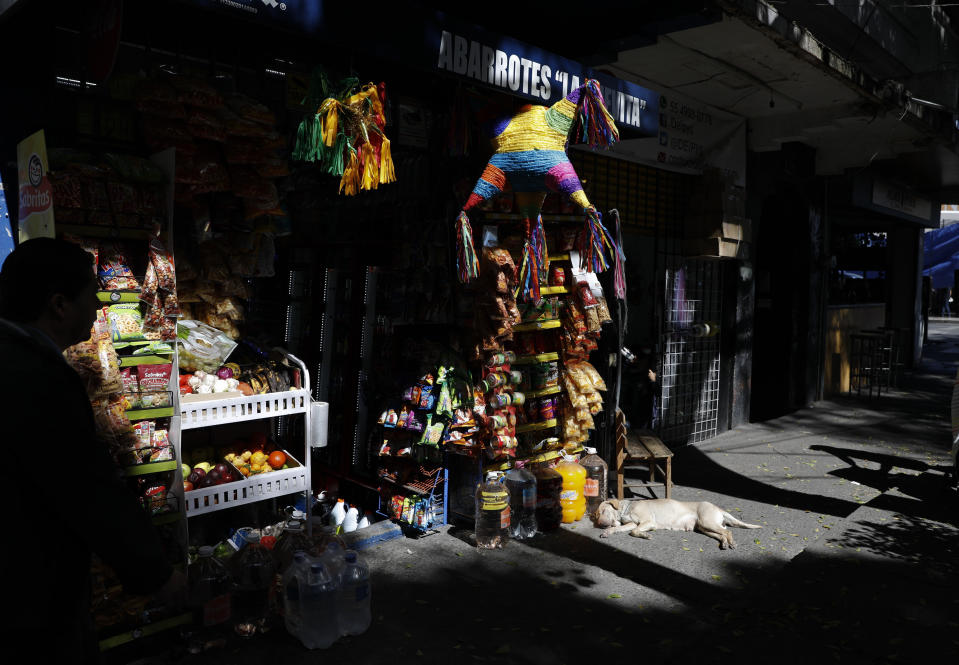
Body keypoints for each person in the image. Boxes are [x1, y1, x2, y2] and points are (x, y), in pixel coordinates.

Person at [0, 238, 184, 664]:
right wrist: (156, 573)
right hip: (31, 598)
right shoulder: (38, 378)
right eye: (92, 300)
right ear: (60, 305)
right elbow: (87, 490)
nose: (99, 312)